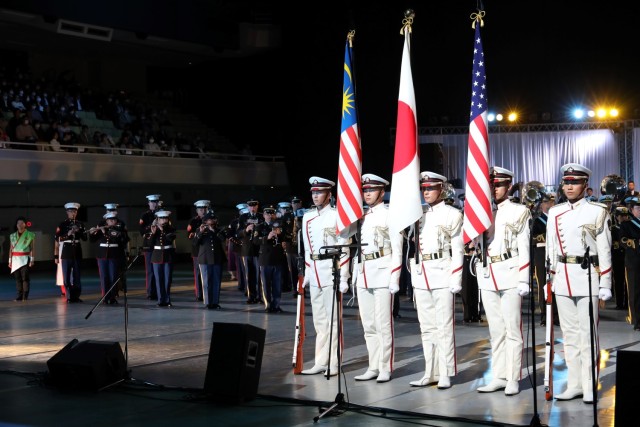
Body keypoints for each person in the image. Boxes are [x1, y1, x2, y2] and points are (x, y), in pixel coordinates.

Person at [546, 163, 612, 403]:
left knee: (587, 335)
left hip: (587, 276)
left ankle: (588, 384)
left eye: (574, 182)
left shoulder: (597, 210)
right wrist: (549, 279)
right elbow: (551, 249)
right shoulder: (555, 212)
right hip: (562, 276)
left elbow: (604, 249)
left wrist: (605, 282)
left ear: (585, 185)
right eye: (566, 182)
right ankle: (573, 383)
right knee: (569, 335)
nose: (569, 186)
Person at [474, 166, 531, 396]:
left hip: (510, 270)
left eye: (498, 185)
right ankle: (498, 375)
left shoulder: (519, 211)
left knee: (512, 329)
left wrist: (524, 278)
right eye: (492, 184)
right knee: (496, 330)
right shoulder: (480, 211)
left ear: (508, 186)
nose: (494, 189)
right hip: (488, 272)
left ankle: (513, 377)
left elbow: (524, 246)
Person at [408, 172, 464, 389]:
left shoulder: (452, 214)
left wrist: (455, 277)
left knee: (444, 326)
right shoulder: (419, 214)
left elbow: (458, 250)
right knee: (427, 327)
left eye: (431, 188)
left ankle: (446, 372)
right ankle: (429, 371)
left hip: (442, 271)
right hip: (422, 273)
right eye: (424, 188)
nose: (426, 192)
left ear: (441, 189)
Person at [353, 173, 403, 383]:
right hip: (364, 271)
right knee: (369, 324)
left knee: (383, 323)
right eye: (365, 190)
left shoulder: (390, 214)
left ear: (382, 192)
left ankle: (385, 366)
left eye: (371, 190)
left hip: (383, 269)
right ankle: (373, 365)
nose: (367, 194)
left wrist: (395, 277)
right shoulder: (362, 216)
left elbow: (397, 249)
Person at [300, 177, 350, 376]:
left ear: (329, 195)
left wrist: (344, 276)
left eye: (319, 192)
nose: (315, 196)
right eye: (313, 192)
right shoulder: (307, 217)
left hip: (331, 269)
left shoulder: (337, 215)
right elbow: (306, 248)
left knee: (333, 320)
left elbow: (344, 247)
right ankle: (321, 361)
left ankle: (334, 362)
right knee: (319, 321)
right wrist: (307, 272)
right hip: (315, 271)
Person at [254, 205, 289, 313]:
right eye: (267, 214)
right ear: (264, 215)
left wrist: (284, 242)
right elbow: (255, 240)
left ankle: (276, 305)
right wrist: (266, 238)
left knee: (277, 284)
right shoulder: (259, 227)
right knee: (266, 284)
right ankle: (268, 305)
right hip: (265, 259)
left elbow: (285, 237)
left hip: (277, 258)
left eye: (272, 213)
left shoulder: (279, 225)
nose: (270, 216)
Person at [89, 211, 129, 304]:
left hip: (114, 256)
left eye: (114, 220)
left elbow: (123, 240)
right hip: (102, 256)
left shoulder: (119, 229)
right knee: (104, 277)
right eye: (110, 220)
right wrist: (92, 232)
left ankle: (112, 297)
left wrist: (105, 233)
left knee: (113, 277)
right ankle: (105, 297)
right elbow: (92, 240)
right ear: (106, 221)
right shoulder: (101, 227)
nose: (113, 222)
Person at [532, 192, 559, 326]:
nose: (550, 204)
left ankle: (556, 315)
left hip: (555, 254)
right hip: (541, 254)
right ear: (542, 204)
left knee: (556, 284)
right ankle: (544, 316)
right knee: (543, 284)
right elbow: (532, 238)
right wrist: (546, 237)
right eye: (547, 202)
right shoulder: (536, 220)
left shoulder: (557, 219)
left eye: (552, 202)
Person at [55, 202, 87, 303]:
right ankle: (69, 296)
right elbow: (58, 238)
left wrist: (79, 231)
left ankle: (76, 296)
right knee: (67, 275)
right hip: (67, 251)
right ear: (67, 212)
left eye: (74, 211)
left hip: (77, 250)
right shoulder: (62, 224)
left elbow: (85, 238)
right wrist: (68, 235)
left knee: (77, 275)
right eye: (71, 211)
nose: (73, 213)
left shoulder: (80, 224)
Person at [194, 210, 227, 309]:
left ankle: (215, 302)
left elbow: (222, 239)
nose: (212, 221)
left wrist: (214, 231)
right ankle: (208, 302)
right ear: (205, 221)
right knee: (206, 282)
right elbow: (195, 243)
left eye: (213, 219)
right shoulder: (200, 230)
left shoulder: (219, 230)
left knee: (216, 281)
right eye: (209, 219)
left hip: (217, 258)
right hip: (205, 259)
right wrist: (200, 232)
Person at [237, 198, 263, 304]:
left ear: (257, 206)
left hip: (258, 250)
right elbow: (238, 233)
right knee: (249, 275)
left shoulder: (261, 217)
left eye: (254, 206)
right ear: (248, 207)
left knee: (259, 275)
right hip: (247, 250)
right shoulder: (243, 217)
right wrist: (246, 230)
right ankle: (251, 296)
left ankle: (260, 296)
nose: (252, 208)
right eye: (251, 206)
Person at [620, 197, 640, 330]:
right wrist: (636, 243)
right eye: (638, 208)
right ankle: (637, 320)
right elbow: (622, 240)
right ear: (632, 210)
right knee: (635, 291)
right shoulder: (626, 225)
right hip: (633, 261)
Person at [150, 209, 176, 307]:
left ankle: (167, 300)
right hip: (156, 257)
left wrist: (162, 230)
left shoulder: (171, 228)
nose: (163, 220)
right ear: (158, 219)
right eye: (161, 218)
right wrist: (153, 234)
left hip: (168, 256)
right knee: (158, 279)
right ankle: (160, 300)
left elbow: (170, 238)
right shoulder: (154, 229)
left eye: (165, 218)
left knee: (167, 279)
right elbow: (150, 244)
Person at [187, 200, 210, 302]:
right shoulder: (193, 221)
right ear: (197, 210)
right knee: (198, 273)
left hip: (209, 250)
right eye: (201, 209)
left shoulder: (211, 220)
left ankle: (209, 294)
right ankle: (199, 294)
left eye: (204, 208)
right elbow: (190, 236)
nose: (203, 211)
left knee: (209, 273)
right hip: (197, 251)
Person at [139, 194, 161, 300]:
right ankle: (150, 292)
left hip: (159, 245)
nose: (154, 204)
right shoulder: (145, 215)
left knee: (159, 270)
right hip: (149, 245)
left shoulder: (162, 214)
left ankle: (159, 291)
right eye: (152, 202)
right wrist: (152, 226)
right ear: (149, 203)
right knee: (150, 270)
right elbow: (141, 230)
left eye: (156, 202)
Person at [9, 216, 35, 301]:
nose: (20, 225)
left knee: (25, 278)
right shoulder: (12, 236)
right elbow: (11, 249)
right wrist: (10, 261)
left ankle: (25, 295)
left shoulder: (30, 235)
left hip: (25, 258)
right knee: (18, 278)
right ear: (16, 225)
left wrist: (32, 260)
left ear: (25, 224)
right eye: (18, 223)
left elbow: (32, 248)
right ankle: (19, 295)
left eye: (21, 223)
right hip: (15, 259)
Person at [611, 206, 630, 310]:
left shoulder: (630, 227)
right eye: (621, 216)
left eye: (625, 216)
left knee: (628, 281)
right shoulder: (613, 228)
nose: (623, 218)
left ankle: (627, 303)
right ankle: (619, 303)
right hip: (617, 257)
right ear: (616, 217)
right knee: (618, 280)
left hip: (628, 256)